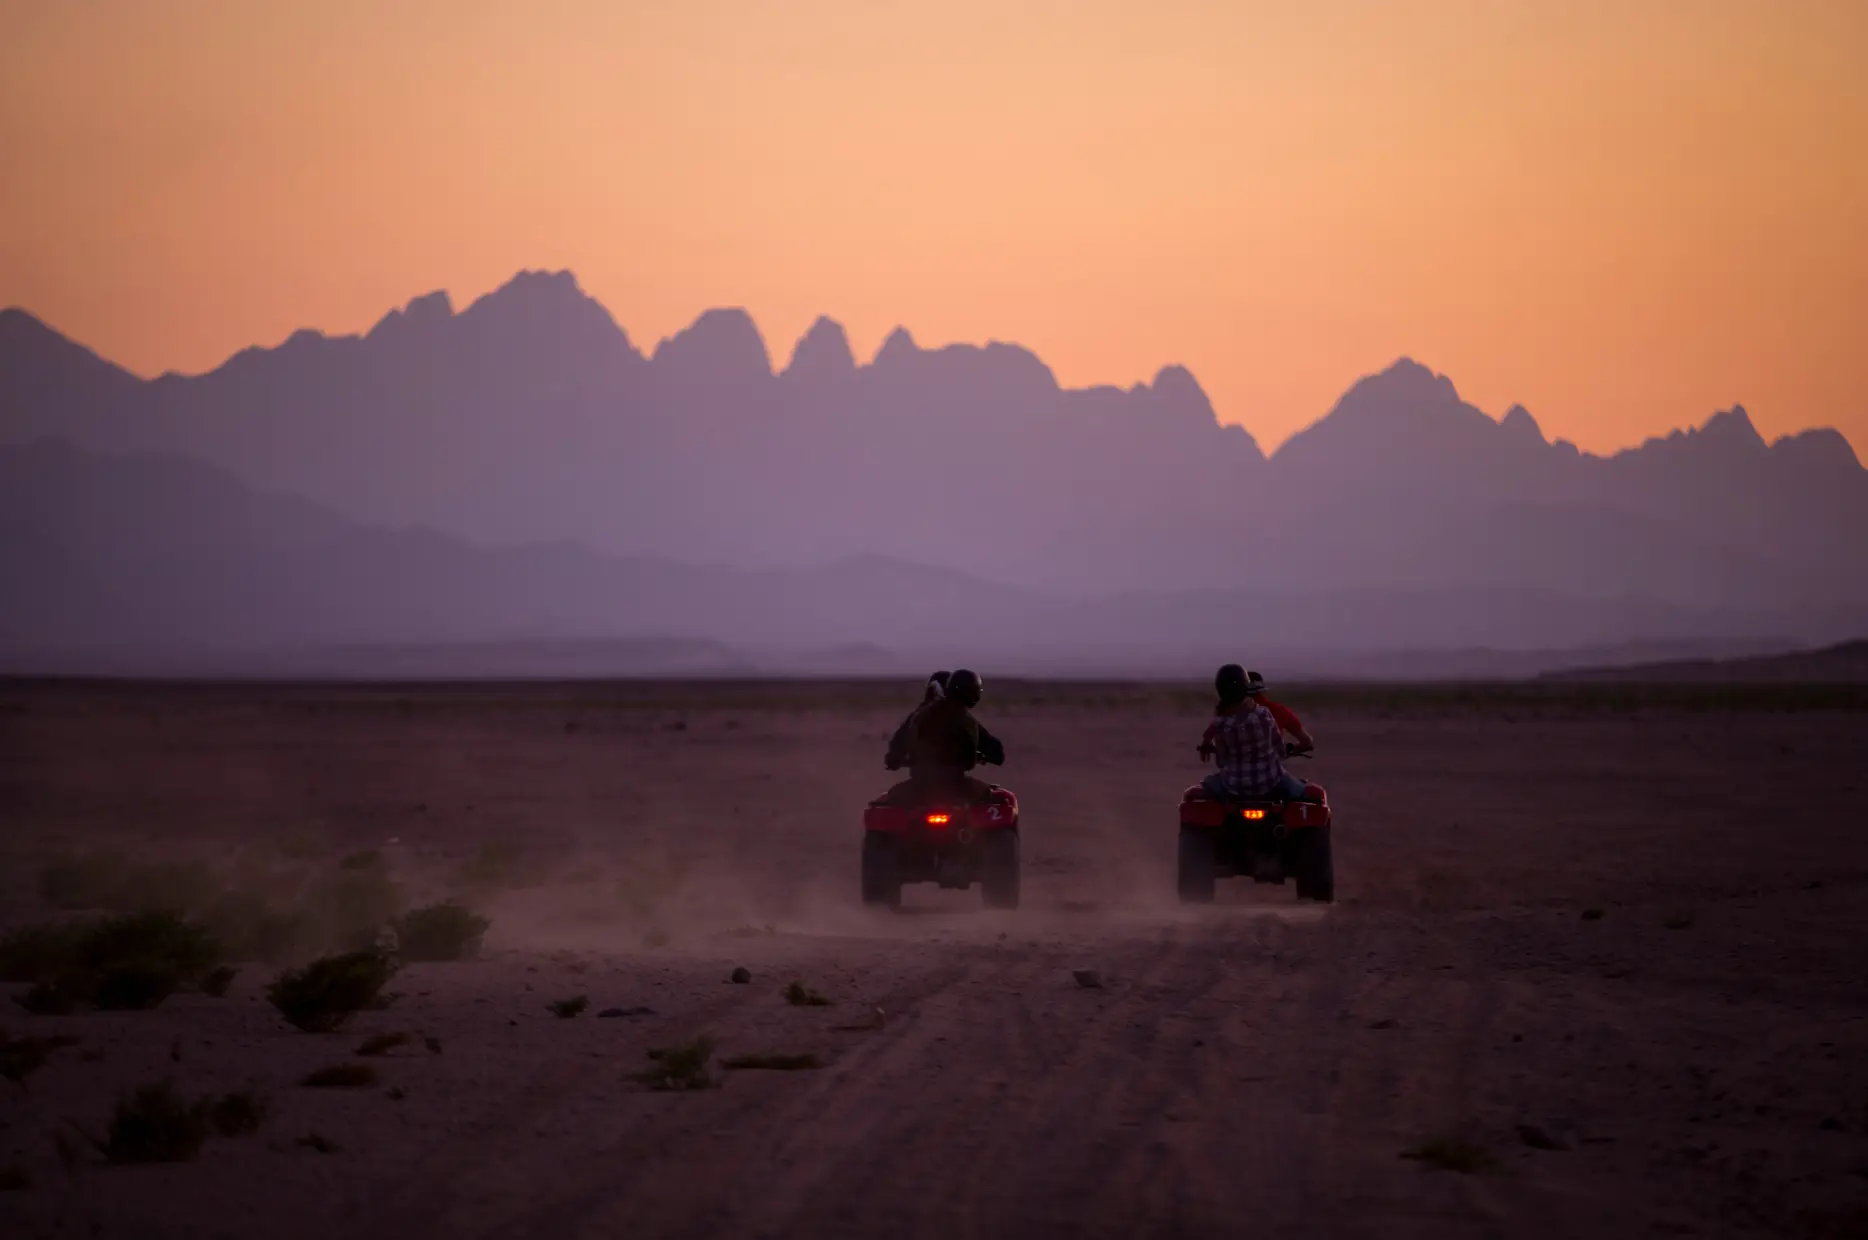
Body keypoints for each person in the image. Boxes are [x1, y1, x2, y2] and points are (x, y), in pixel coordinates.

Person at [884, 667, 999, 805]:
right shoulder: (963, 719)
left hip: (920, 784)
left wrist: (898, 759)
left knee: (889, 802)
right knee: (995, 800)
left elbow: (901, 747)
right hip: (954, 784)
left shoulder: (918, 717)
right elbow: (982, 750)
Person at [1196, 664, 1310, 801]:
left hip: (1234, 787)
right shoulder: (1265, 714)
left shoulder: (1221, 723)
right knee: (1305, 792)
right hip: (1270, 782)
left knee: (1205, 785)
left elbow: (1222, 761)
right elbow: (1280, 748)